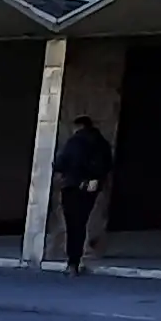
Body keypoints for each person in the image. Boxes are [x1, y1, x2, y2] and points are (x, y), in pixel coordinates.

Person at [50, 114, 114, 272]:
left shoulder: (74, 142)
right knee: (82, 222)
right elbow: (107, 165)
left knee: (72, 225)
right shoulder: (102, 143)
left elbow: (60, 163)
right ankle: (76, 259)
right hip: (91, 187)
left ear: (77, 127)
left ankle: (72, 261)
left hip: (72, 186)